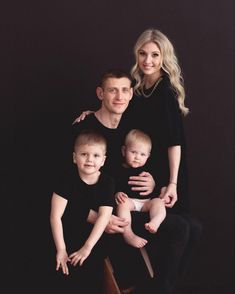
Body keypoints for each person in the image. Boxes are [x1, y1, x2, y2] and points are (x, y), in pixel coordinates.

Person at [72, 64, 202, 294]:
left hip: (136, 204)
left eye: (124, 90)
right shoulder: (86, 130)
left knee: (195, 226)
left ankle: (161, 286)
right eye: (112, 91)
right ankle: (160, 289)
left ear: (131, 93)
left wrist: (153, 181)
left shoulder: (131, 126)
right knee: (181, 227)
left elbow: (145, 158)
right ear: (100, 94)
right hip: (108, 213)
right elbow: (65, 188)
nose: (119, 96)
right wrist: (98, 218)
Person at [50, 129, 114, 293]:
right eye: (84, 154)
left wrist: (87, 247)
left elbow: (104, 217)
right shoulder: (66, 180)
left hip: (94, 240)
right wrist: (61, 249)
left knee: (91, 277)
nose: (89, 159)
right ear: (74, 157)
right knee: (63, 273)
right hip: (66, 237)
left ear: (103, 160)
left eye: (96, 156)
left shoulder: (107, 182)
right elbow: (55, 216)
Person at [115, 129, 166, 248]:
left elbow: (156, 187)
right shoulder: (118, 170)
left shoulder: (149, 170)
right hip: (130, 202)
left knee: (158, 202)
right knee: (122, 204)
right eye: (133, 152)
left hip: (146, 202)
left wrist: (154, 185)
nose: (137, 157)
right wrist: (117, 193)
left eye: (142, 154)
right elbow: (113, 186)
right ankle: (128, 234)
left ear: (148, 156)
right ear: (124, 151)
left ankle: (155, 222)